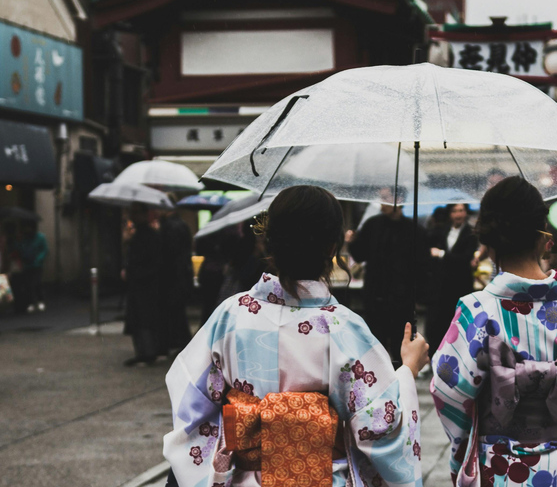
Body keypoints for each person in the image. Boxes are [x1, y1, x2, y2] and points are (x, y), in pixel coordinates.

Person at [163, 185, 430, 487]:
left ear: (268, 241)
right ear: (332, 248)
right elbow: (381, 426)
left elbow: (190, 395)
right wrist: (408, 370)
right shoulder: (344, 327)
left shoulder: (230, 315)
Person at [430, 176, 557, 486]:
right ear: (544, 237)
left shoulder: (476, 311)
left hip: (499, 466)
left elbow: (449, 391)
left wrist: (463, 449)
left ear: (489, 243)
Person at [346, 186, 428, 358]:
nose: (381, 203)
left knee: (401, 343)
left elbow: (422, 265)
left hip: (402, 298)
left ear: (398, 200)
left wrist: (420, 295)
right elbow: (360, 255)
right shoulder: (372, 225)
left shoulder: (414, 230)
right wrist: (351, 242)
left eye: (385, 198)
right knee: (376, 344)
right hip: (375, 295)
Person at [426, 203, 479, 352]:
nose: (458, 214)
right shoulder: (442, 231)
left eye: (461, 210)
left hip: (460, 285)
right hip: (441, 286)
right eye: (455, 211)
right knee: (438, 324)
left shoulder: (471, 234)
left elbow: (465, 258)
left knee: (458, 322)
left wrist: (442, 254)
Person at [123, 203, 162, 366]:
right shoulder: (139, 234)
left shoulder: (147, 236)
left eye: (136, 213)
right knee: (140, 318)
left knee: (143, 318)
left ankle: (147, 352)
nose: (133, 216)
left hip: (144, 284)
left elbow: (152, 261)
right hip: (141, 283)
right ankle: (144, 352)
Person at [157, 206, 193, 355]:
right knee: (178, 312)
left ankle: (179, 343)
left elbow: (168, 254)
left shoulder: (169, 227)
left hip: (172, 277)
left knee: (174, 312)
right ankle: (181, 342)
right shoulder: (181, 224)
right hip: (181, 275)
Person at [12, 220, 48, 313]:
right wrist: (18, 241)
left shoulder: (40, 237)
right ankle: (31, 302)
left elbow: (44, 250)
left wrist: (39, 259)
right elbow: (19, 249)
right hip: (27, 264)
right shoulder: (24, 238)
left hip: (37, 264)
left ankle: (40, 301)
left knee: (37, 283)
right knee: (28, 284)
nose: (27, 229)